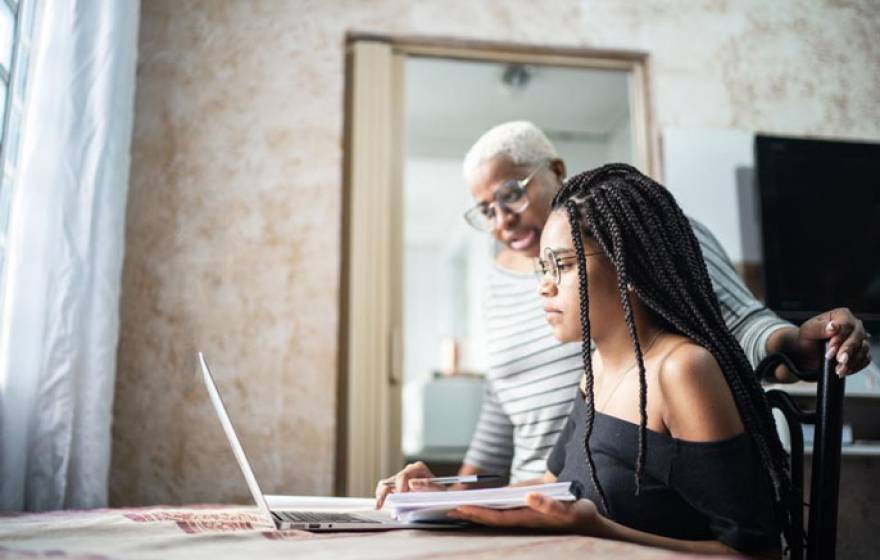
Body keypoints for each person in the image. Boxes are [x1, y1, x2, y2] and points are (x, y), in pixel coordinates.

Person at [379, 164, 792, 557]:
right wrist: (441, 502)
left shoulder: (681, 371)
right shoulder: (594, 369)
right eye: (543, 267)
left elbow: (758, 554)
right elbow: (551, 485)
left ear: (627, 266)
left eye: (562, 264)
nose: (543, 286)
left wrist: (597, 530)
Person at [451, 121, 870, 484]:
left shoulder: (645, 237)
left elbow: (741, 324)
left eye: (511, 194)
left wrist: (796, 346)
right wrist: (454, 496)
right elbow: (501, 400)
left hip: (624, 499)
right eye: (486, 210)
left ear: (556, 170)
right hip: (541, 494)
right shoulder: (493, 284)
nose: (502, 219)